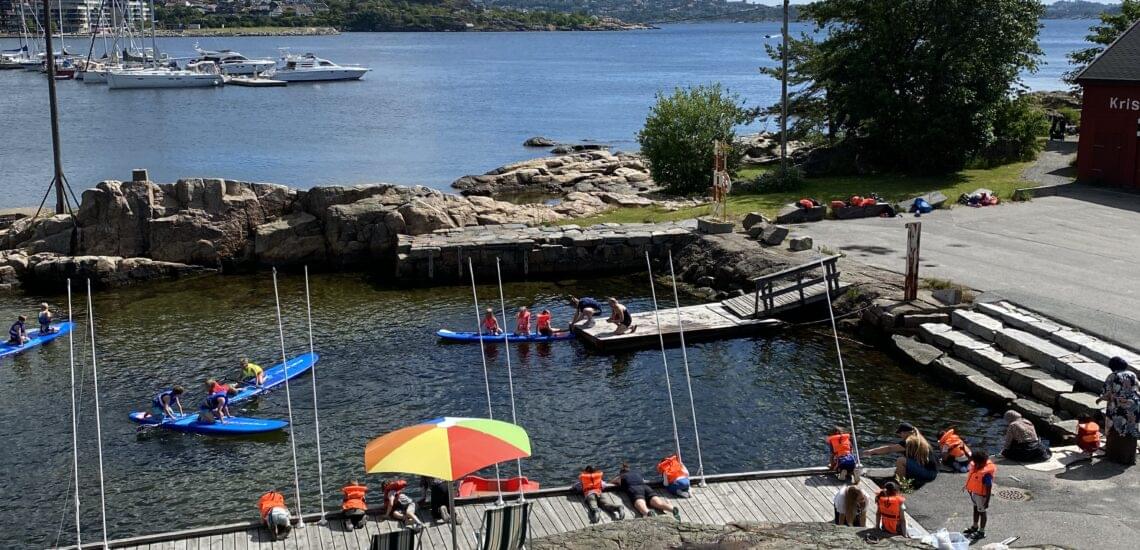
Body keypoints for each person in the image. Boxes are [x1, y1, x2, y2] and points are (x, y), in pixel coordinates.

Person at [862, 423, 937, 486]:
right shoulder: (919, 439)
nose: (900, 436)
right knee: (905, 461)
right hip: (932, 472)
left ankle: (901, 485)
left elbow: (889, 449)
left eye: (901, 433)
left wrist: (871, 452)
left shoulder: (909, 441)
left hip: (928, 474)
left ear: (906, 432)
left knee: (901, 461)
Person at [1098, 356, 1140, 465]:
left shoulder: (1113, 376)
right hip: (1134, 405)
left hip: (1119, 406)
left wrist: (1100, 398)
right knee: (1131, 429)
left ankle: (1115, 457)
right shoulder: (1132, 374)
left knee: (1116, 429)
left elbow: (1107, 393)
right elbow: (1136, 389)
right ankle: (1129, 458)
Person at [613, 463, 679, 521]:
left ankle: (647, 512)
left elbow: (612, 482)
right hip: (646, 487)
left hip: (635, 489)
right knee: (659, 503)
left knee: (642, 506)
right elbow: (644, 480)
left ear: (621, 472)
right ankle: (672, 508)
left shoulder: (621, 477)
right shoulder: (637, 474)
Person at [963, 450, 995, 542]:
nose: (975, 465)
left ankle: (982, 531)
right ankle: (975, 526)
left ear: (982, 463)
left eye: (977, 464)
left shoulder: (986, 474)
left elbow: (989, 488)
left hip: (981, 496)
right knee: (975, 509)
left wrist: (987, 501)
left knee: (982, 512)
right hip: (975, 494)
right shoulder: (976, 467)